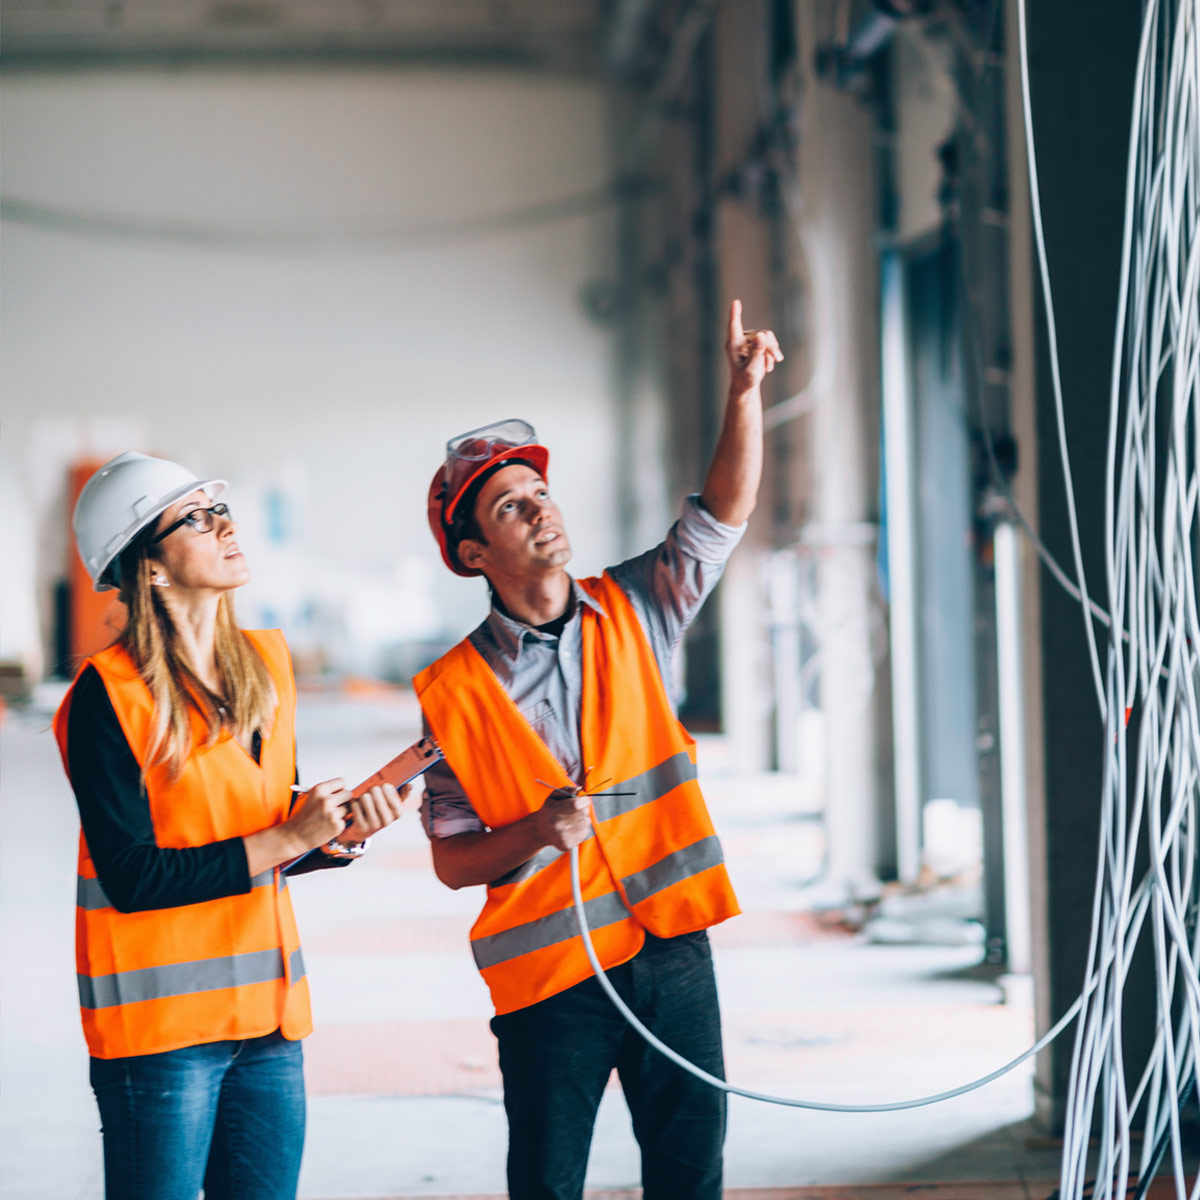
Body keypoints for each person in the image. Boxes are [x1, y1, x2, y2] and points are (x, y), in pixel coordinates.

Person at [416, 301, 783, 1199]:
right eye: (511, 507)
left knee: (691, 1179)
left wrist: (744, 392)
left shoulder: (636, 608)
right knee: (547, 1185)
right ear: (473, 553)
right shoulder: (456, 691)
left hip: (672, 950)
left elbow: (721, 516)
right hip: (550, 981)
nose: (539, 510)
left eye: (540, 493)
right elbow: (455, 863)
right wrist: (539, 831)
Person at [52, 451, 407, 1200]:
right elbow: (132, 877)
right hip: (161, 1043)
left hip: (269, 1028)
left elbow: (266, 829)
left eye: (220, 509)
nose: (224, 525)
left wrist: (335, 836)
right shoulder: (107, 697)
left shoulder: (266, 667)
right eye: (196, 518)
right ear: (150, 567)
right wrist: (289, 837)